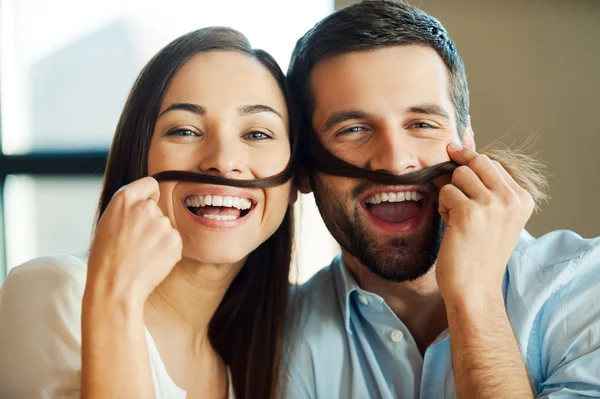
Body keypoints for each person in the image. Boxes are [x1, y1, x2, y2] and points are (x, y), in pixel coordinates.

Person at [282, 1, 600, 398]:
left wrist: (475, 297)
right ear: (305, 167)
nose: (396, 161)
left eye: (422, 124)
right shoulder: (277, 339)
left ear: (467, 143)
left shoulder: (589, 289)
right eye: (353, 128)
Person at [0, 27, 297, 399]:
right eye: (186, 131)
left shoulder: (254, 357)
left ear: (295, 179)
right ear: (138, 157)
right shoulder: (55, 290)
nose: (223, 161)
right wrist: (117, 298)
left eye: (257, 134)